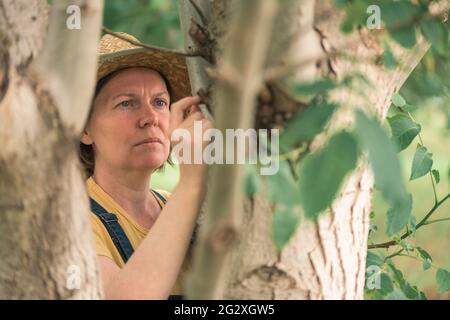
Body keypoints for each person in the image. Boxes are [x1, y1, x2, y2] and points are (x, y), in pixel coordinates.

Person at [79, 32, 212, 299]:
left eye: (160, 102)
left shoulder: (182, 207)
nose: (150, 118)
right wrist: (191, 182)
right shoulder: (70, 219)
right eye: (126, 103)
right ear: (84, 129)